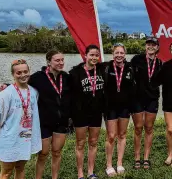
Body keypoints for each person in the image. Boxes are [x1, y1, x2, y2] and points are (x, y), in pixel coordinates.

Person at [0, 50, 71, 179]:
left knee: (57, 152)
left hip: (61, 122)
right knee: (43, 154)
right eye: (57, 60)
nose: (61, 63)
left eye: (62, 60)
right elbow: (22, 82)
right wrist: (6, 86)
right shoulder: (38, 77)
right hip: (44, 122)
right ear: (49, 62)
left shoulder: (66, 77)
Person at [0, 59, 41, 179]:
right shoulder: (5, 95)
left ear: (29, 71)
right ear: (13, 74)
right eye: (19, 73)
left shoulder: (34, 92)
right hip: (9, 140)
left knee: (20, 168)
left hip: (25, 139)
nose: (23, 75)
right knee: (6, 172)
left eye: (25, 71)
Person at [68, 45, 106, 179]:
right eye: (92, 55)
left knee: (94, 142)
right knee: (80, 143)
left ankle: (90, 171)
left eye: (97, 55)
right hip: (80, 113)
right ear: (85, 55)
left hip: (96, 112)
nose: (94, 57)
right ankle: (80, 173)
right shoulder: (75, 73)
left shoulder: (102, 69)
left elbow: (119, 64)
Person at [103, 43, 136, 176]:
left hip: (125, 107)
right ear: (112, 54)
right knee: (111, 136)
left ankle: (119, 163)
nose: (119, 55)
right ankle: (109, 165)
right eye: (117, 53)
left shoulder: (130, 68)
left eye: (121, 53)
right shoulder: (105, 67)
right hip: (110, 107)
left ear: (125, 54)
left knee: (122, 135)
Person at [130, 37, 163, 169]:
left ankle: (146, 158)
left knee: (149, 128)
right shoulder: (136, 60)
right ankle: (137, 157)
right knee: (138, 128)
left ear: (157, 48)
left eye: (153, 45)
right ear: (145, 46)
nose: (150, 46)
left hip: (152, 99)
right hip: (137, 99)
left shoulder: (160, 63)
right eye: (148, 44)